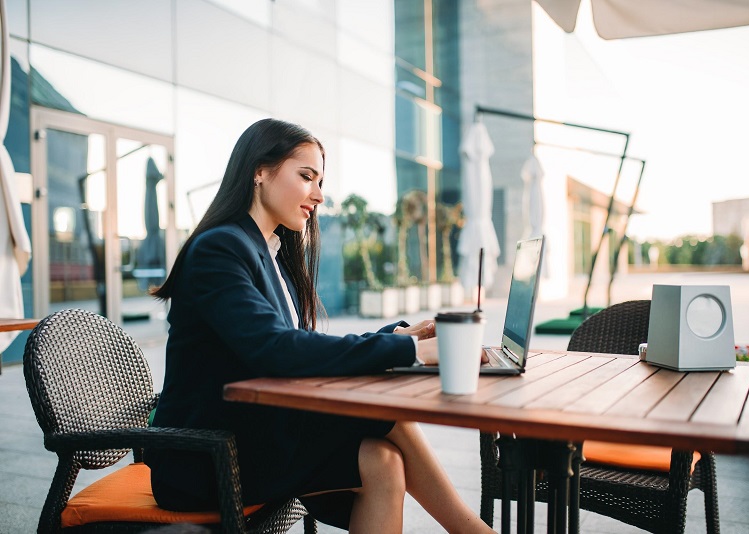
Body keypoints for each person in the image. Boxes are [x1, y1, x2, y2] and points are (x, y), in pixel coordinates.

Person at [146, 118, 493, 533]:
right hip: (208, 458)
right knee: (388, 417)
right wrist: (415, 353)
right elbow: (273, 349)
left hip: (255, 435)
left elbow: (300, 344)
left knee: (383, 462)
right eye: (306, 176)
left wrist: (395, 338)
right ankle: (473, 531)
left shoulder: (270, 252)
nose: (319, 195)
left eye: (320, 180)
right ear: (259, 171)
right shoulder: (220, 248)